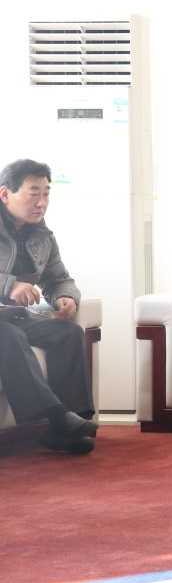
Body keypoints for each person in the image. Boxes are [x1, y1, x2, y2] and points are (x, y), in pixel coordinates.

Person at [0, 158, 98, 455]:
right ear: (5, 194)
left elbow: (59, 279)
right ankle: (58, 417)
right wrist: (10, 285)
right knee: (8, 334)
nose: (41, 202)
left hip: (14, 316)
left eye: (46, 194)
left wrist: (66, 298)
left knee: (68, 332)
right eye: (33, 193)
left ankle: (68, 426)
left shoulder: (43, 237)